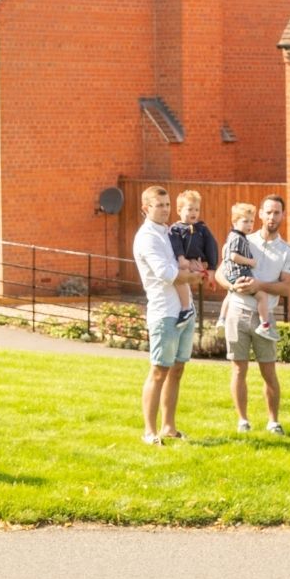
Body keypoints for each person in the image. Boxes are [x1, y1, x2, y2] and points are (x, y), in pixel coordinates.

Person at [218, 194, 290, 434]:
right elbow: (219, 274)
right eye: (268, 212)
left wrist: (258, 285)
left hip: (265, 316)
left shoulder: (287, 251)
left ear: (283, 216)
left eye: (277, 213)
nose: (272, 217)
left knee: (268, 371)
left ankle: (273, 421)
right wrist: (233, 286)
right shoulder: (242, 239)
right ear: (260, 214)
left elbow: (286, 288)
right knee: (239, 369)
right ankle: (243, 421)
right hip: (237, 312)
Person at [133, 184, 191, 444]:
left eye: (167, 205)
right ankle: (149, 431)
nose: (166, 210)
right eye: (159, 205)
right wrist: (197, 277)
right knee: (159, 370)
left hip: (183, 311)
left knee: (177, 369)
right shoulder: (147, 237)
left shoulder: (169, 233)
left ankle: (169, 426)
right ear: (146, 209)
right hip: (164, 312)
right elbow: (168, 274)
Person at [222, 203, 279, 342]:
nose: (249, 225)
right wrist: (250, 262)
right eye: (245, 221)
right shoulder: (237, 237)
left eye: (252, 221)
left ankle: (221, 319)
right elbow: (233, 256)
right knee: (262, 296)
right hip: (239, 273)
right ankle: (264, 325)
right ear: (234, 222)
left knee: (231, 294)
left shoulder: (237, 236)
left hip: (235, 274)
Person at [168, 189, 219, 327]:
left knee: (195, 278)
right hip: (183, 263)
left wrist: (212, 268)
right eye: (190, 209)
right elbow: (176, 244)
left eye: (197, 209)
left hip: (198, 262)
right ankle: (186, 308)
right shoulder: (175, 229)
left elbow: (211, 246)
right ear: (179, 210)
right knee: (180, 279)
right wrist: (181, 258)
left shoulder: (201, 228)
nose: (194, 213)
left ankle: (187, 308)